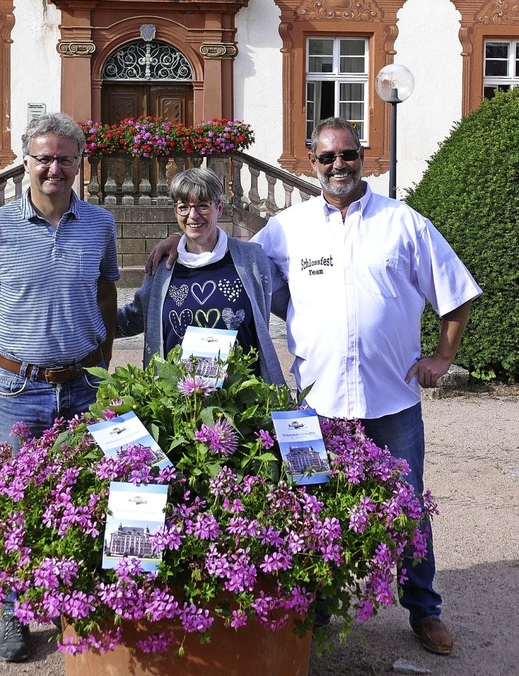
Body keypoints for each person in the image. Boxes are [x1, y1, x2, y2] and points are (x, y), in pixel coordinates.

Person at [146, 118, 482, 656]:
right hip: (313, 406)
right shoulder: (289, 227)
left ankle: (423, 608)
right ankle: (319, 606)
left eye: (347, 154)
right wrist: (181, 238)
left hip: (392, 401)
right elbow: (231, 255)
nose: (338, 165)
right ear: (311, 162)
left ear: (363, 156)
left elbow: (457, 290)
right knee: (311, 506)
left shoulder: (403, 222)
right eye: (327, 158)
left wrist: (444, 356)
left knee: (408, 507)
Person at [0, 112, 119, 662]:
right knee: (15, 501)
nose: (54, 166)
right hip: (20, 390)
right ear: (26, 163)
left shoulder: (100, 223)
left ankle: (79, 602)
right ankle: (13, 610)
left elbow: (106, 295)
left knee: (86, 497)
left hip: (82, 386)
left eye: (64, 157)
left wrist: (101, 356)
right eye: (43, 157)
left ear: (80, 164)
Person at [117, 167, 285, 386]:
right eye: (183, 207)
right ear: (175, 211)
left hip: (243, 400)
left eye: (203, 206)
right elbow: (135, 317)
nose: (193, 215)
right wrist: (83, 323)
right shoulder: (163, 267)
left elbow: (292, 307)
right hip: (179, 405)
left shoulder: (252, 260)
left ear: (220, 208)